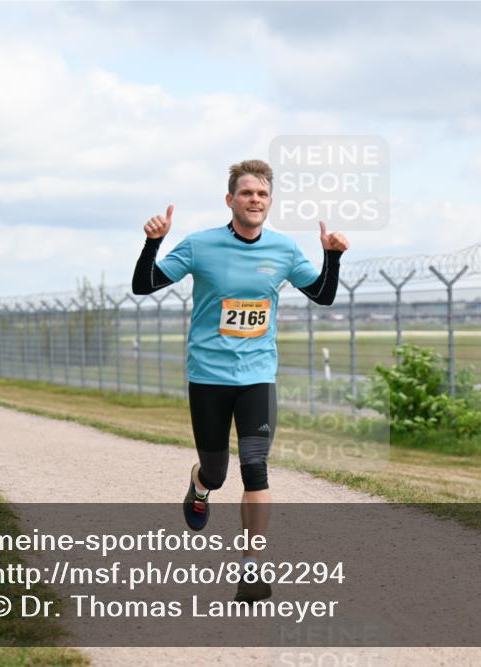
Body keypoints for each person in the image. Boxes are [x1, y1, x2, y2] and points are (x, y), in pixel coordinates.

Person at [132, 159, 348, 603]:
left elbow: (323, 294)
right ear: (230, 200)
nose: (255, 200)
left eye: (262, 194)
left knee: (256, 471)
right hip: (208, 377)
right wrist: (153, 243)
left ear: (270, 202)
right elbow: (143, 285)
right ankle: (199, 485)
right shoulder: (200, 245)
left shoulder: (283, 250)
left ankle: (252, 567)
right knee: (218, 472)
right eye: (247, 193)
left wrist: (333, 256)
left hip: (257, 378)